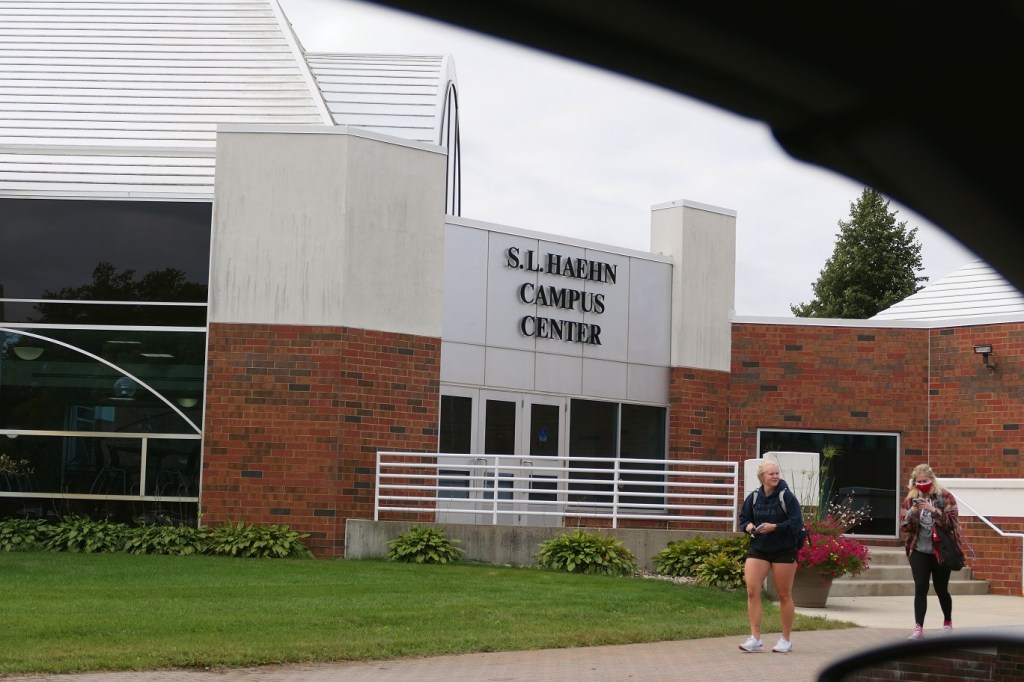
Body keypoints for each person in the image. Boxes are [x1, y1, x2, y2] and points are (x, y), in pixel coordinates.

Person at [737, 460, 803, 653]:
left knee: (783, 594)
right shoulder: (754, 497)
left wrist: (774, 527)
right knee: (752, 591)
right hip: (759, 548)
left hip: (784, 549)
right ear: (762, 477)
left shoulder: (786, 496)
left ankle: (785, 640)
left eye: (776, 473)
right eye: (771, 474)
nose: (775, 476)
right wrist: (748, 526)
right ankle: (755, 638)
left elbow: (796, 524)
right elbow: (744, 519)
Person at [901, 463, 958, 639]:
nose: (921, 484)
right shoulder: (911, 499)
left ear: (931, 480)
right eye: (918, 482)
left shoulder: (945, 496)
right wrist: (911, 513)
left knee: (941, 588)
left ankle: (947, 622)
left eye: (924, 481)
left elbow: (953, 523)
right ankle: (918, 628)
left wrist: (933, 510)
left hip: (940, 550)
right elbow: (905, 527)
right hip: (919, 549)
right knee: (920, 587)